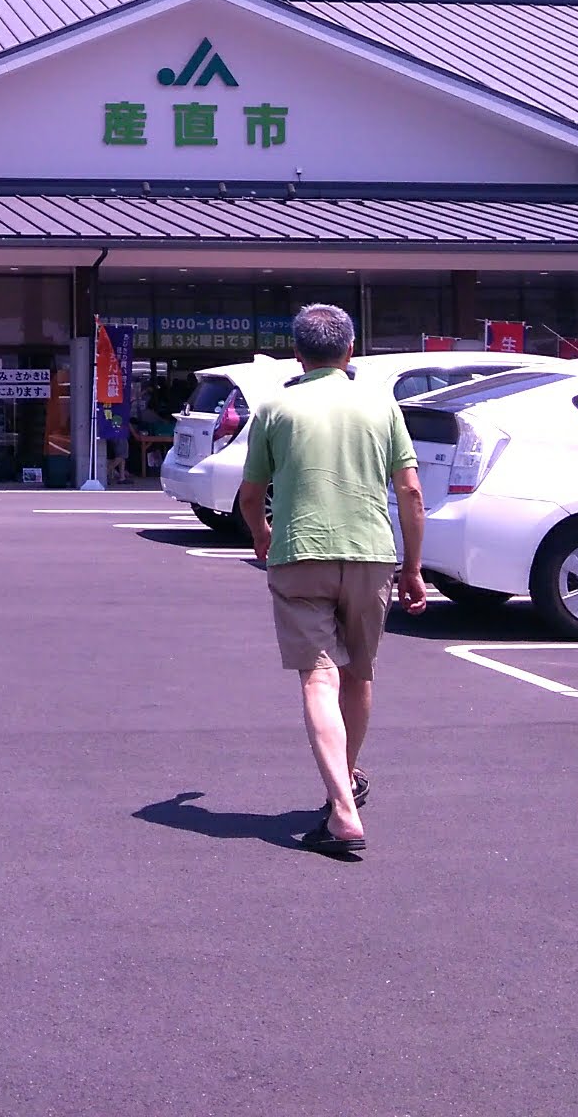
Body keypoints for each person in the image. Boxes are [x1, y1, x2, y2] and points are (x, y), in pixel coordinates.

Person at [235, 303, 426, 860]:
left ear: (298, 354)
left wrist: (262, 533)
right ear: (349, 350)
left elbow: (251, 494)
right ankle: (345, 779)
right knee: (358, 676)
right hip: (370, 554)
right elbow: (411, 492)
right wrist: (413, 568)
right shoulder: (381, 405)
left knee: (318, 679)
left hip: (301, 554)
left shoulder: (275, 407)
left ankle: (342, 809)